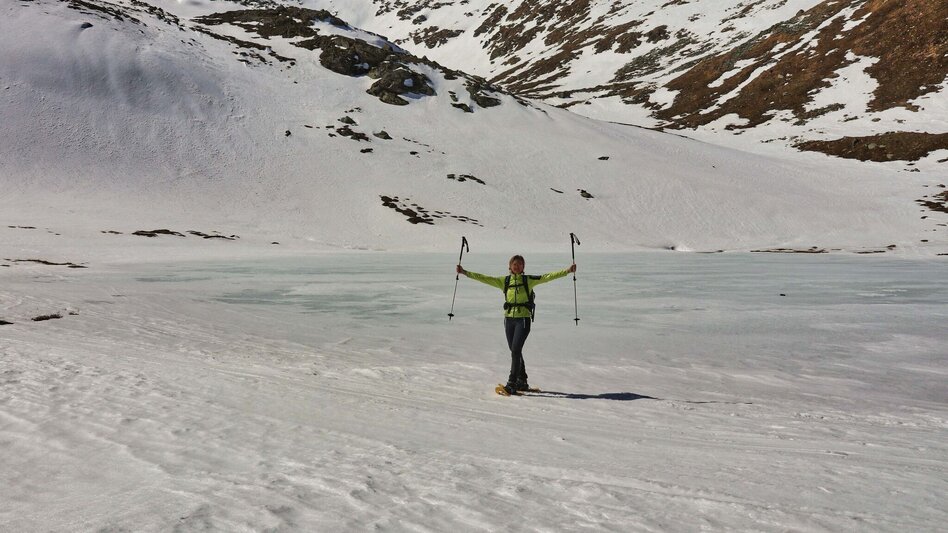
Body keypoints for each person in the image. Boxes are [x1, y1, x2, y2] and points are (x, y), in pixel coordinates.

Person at [456, 255, 576, 395]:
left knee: (515, 350)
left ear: (523, 267)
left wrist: (567, 271)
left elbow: (547, 277)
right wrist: (465, 272)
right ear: (510, 266)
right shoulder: (504, 281)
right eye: (514, 264)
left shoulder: (528, 280)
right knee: (515, 351)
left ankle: (511, 383)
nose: (517, 266)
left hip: (523, 320)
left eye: (520, 264)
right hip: (509, 320)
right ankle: (522, 381)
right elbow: (484, 278)